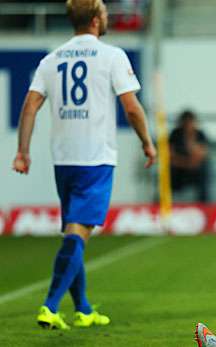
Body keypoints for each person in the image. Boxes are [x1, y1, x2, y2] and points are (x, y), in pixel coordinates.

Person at [12, 0, 156, 330]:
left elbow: (30, 107)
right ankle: (49, 305)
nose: (107, 17)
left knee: (73, 230)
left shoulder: (52, 58)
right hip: (96, 157)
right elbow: (132, 107)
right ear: (95, 20)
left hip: (63, 159)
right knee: (79, 232)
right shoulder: (111, 55)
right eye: (105, 12)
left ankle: (83, 308)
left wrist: (23, 151)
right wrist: (147, 143)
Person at [169, 110, 210, 203]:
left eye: (190, 123)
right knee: (168, 171)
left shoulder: (200, 134)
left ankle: (204, 204)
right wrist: (185, 163)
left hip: (195, 169)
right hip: (179, 168)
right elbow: (170, 155)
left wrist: (190, 141)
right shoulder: (175, 134)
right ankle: (166, 201)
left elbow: (202, 155)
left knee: (204, 170)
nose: (188, 126)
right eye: (185, 123)